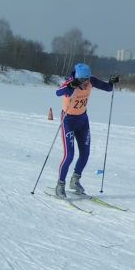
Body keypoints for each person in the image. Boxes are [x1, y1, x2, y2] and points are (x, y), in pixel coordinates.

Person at [54, 63, 119, 197]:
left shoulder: (90, 80)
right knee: (69, 155)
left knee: (85, 153)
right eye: (83, 80)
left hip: (83, 121)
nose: (86, 83)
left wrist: (111, 82)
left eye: (87, 79)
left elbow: (107, 88)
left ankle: (75, 180)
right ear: (77, 78)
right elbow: (58, 92)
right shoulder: (70, 83)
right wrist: (70, 86)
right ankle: (60, 185)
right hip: (68, 121)